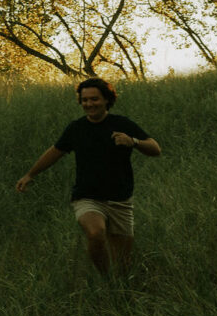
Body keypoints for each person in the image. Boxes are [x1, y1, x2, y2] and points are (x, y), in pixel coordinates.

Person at [14, 77, 161, 275]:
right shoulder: (77, 128)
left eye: (94, 99)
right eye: (85, 100)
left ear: (107, 100)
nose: (89, 104)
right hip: (87, 197)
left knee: (124, 265)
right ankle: (105, 277)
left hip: (120, 200)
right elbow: (55, 152)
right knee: (95, 232)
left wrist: (133, 141)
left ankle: (117, 289)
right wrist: (30, 174)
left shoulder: (122, 124)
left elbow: (155, 149)